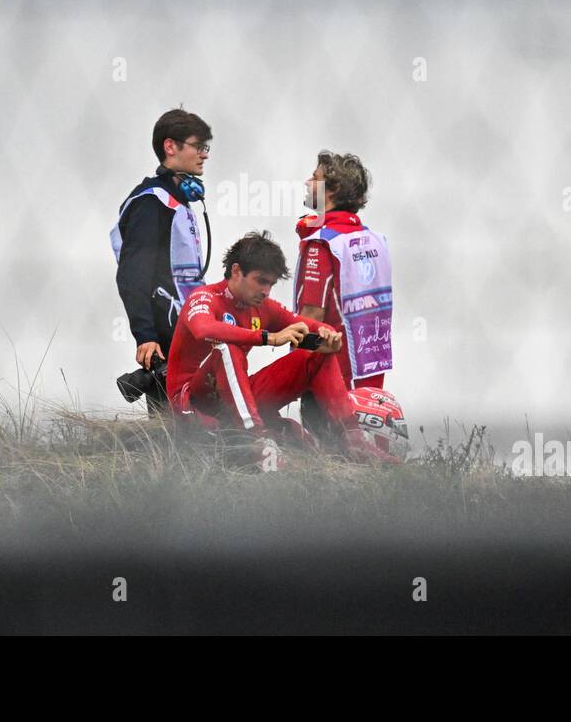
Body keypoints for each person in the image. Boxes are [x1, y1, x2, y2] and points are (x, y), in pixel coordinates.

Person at [165, 230, 399, 465]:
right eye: (261, 281)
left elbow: (303, 324)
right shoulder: (204, 297)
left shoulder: (262, 306)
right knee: (228, 348)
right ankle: (254, 440)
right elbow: (203, 329)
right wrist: (269, 337)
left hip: (235, 398)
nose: (266, 291)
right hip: (192, 402)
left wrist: (327, 334)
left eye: (271, 284)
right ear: (236, 271)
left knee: (316, 355)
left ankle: (352, 439)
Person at [110, 109, 212, 412]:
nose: (204, 155)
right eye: (198, 146)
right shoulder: (152, 201)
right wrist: (145, 336)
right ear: (171, 147)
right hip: (165, 335)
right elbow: (132, 274)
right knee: (173, 430)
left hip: (190, 328)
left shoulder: (179, 202)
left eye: (206, 148)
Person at [292, 151, 394, 435]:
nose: (307, 182)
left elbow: (311, 315)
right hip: (370, 370)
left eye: (315, 178)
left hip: (329, 370)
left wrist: (293, 373)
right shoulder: (375, 239)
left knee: (325, 456)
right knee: (361, 458)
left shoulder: (322, 243)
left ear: (332, 189)